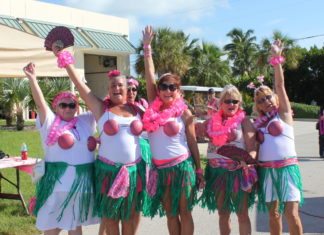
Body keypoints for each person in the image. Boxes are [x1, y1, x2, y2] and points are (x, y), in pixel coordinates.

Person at [52, 48, 147, 235]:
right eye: (112, 86)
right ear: (108, 90)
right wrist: (62, 56)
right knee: (111, 221)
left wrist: (148, 50)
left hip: (134, 172)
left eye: (120, 85)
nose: (116, 88)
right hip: (108, 172)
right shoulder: (101, 109)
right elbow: (80, 85)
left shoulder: (139, 111)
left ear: (128, 89)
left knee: (130, 220)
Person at [142, 25, 204, 235]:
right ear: (158, 90)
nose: (167, 90)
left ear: (178, 90)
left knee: (185, 212)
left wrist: (198, 169)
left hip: (182, 167)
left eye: (172, 87)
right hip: (161, 170)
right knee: (170, 214)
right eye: (163, 86)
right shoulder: (153, 106)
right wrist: (147, 47)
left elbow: (193, 142)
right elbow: (150, 75)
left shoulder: (184, 113)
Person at [23, 62, 98, 235]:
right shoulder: (49, 122)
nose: (68, 108)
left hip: (81, 185)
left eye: (72, 105)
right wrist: (33, 79)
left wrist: (80, 82)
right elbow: (40, 104)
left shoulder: (85, 121)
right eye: (63, 105)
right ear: (56, 107)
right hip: (57, 186)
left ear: (77, 108)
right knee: (52, 227)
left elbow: (93, 101)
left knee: (75, 225)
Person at [253, 39, 303, 235]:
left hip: (288, 169)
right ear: (257, 106)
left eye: (268, 97)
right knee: (273, 215)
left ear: (275, 97)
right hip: (266, 172)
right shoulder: (257, 124)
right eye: (261, 100)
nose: (266, 101)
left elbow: (280, 84)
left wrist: (276, 59)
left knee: (292, 215)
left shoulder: (284, 114)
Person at [200, 84, 257, 235]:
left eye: (235, 101)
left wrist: (248, 161)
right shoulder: (212, 121)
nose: (231, 104)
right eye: (227, 101)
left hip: (237, 172)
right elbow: (195, 131)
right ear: (221, 103)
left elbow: (252, 148)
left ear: (240, 103)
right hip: (217, 173)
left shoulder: (245, 122)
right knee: (223, 214)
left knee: (242, 214)